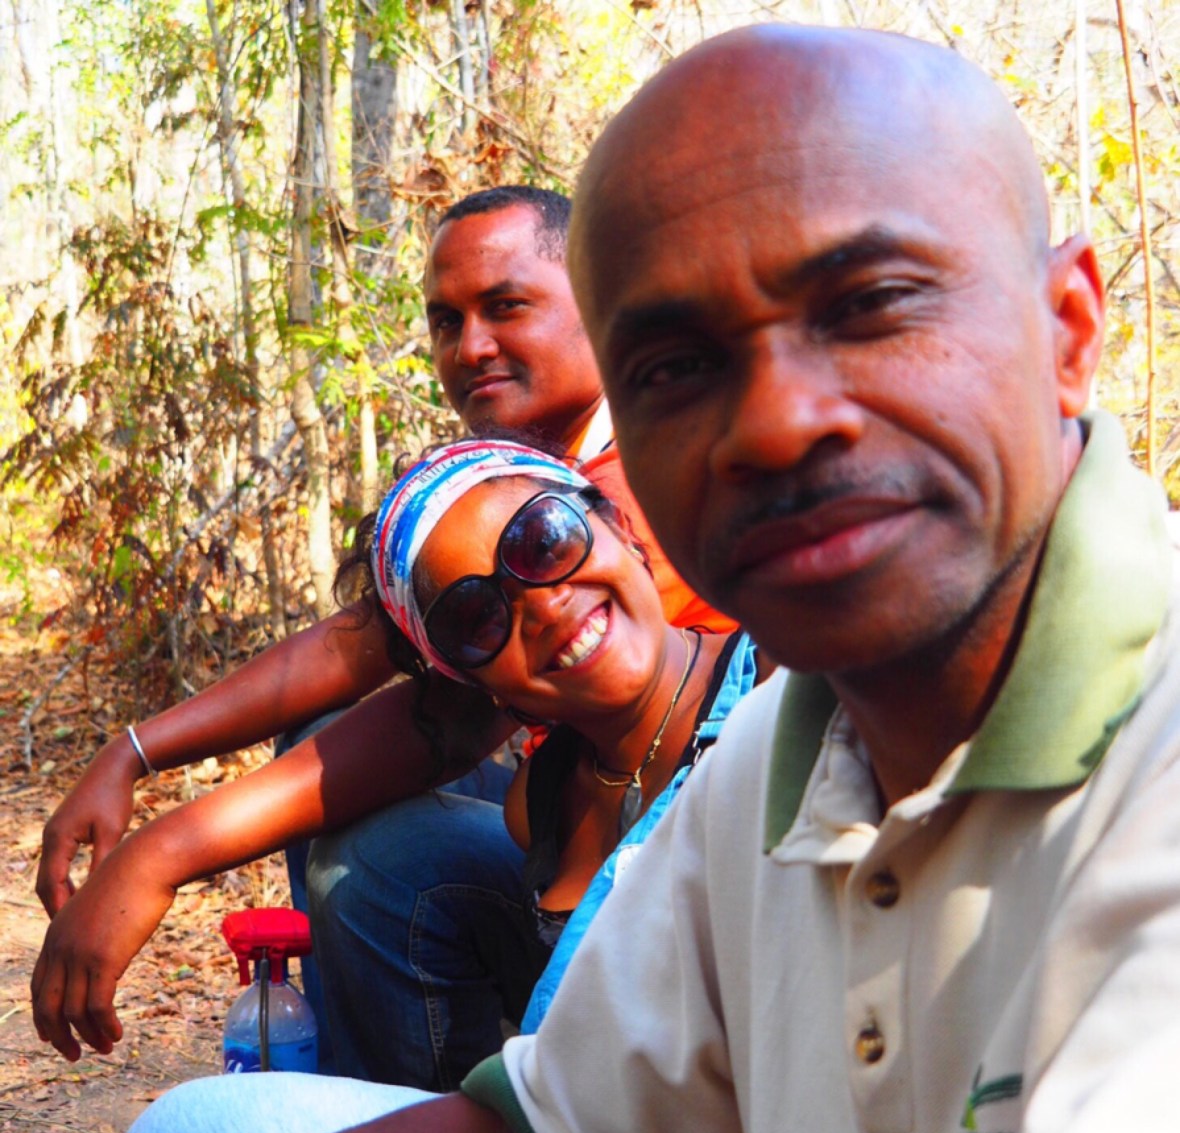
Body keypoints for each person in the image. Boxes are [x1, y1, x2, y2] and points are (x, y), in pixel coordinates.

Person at [5, 23, 1176, 1133]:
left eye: (869, 306)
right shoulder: (784, 768)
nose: (780, 419)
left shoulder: (1131, 756)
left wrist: (159, 814)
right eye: (680, 367)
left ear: (1071, 326)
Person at [30, 186, 734, 1084]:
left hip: (694, 882)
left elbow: (418, 719)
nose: (470, 347)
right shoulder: (528, 483)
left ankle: (412, 1120)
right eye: (446, 322)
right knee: (322, 745)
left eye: (506, 306)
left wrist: (159, 853)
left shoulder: (648, 472)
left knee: (379, 848)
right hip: (591, 816)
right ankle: (378, 1093)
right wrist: (133, 750)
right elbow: (362, 640)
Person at [112, 437, 767, 1133]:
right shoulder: (543, 809)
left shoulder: (773, 682)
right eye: (475, 617)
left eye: (543, 540)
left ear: (615, 523)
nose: (540, 604)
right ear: (469, 677)